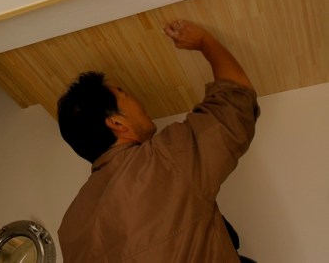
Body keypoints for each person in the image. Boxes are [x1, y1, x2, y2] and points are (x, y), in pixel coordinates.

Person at [57, 19, 260, 262]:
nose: (138, 102)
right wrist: (204, 41)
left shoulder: (69, 229)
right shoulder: (161, 161)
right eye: (126, 95)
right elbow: (235, 103)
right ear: (117, 123)